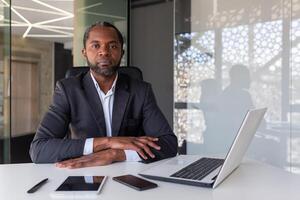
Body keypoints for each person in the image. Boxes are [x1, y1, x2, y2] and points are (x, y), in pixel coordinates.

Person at [29, 21, 178, 168]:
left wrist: (114, 154)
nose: (104, 51)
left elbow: (168, 143)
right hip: (83, 173)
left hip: (128, 174)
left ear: (121, 53)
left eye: (112, 46)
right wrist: (108, 142)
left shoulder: (140, 91)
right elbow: (39, 149)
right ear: (84, 52)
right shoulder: (68, 90)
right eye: (96, 45)